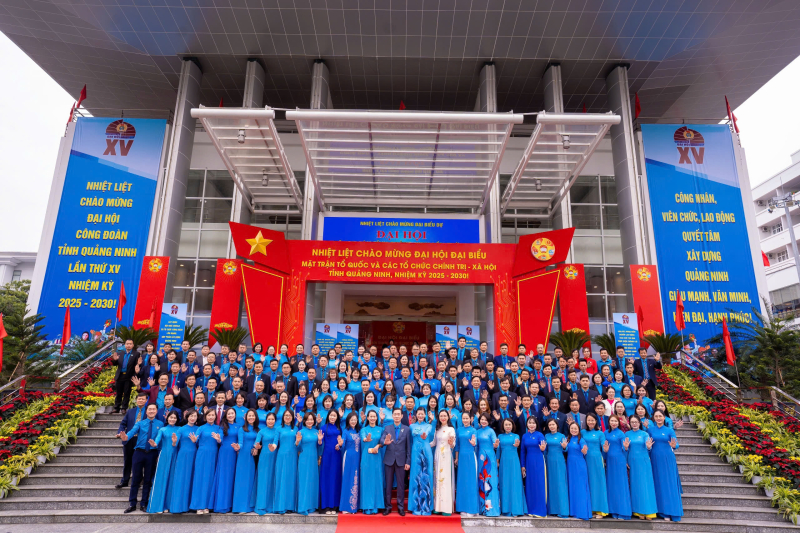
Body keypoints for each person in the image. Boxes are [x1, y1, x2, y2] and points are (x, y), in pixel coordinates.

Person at [119, 403, 163, 513]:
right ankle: (132, 503)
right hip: (139, 453)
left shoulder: (160, 424)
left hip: (152, 454)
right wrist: (126, 437)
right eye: (149, 409)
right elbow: (132, 432)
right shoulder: (140, 423)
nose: (151, 411)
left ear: (156, 411)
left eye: (153, 409)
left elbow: (160, 439)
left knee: (147, 480)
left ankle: (144, 503)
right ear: (146, 411)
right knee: (135, 479)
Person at [647, 410, 683, 521]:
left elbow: (676, 444)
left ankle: (672, 511)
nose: (658, 418)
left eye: (660, 416)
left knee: (669, 484)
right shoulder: (650, 430)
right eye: (656, 416)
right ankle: (662, 512)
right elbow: (648, 444)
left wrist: (674, 445)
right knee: (658, 484)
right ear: (653, 418)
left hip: (667, 459)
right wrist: (648, 447)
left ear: (664, 417)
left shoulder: (669, 430)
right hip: (655, 458)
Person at [146, 411, 180, 513]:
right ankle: (159, 506)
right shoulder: (162, 429)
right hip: (164, 455)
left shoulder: (179, 429)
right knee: (162, 479)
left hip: (175, 456)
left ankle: (168, 505)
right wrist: (154, 444)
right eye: (171, 417)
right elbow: (157, 440)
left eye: (174, 418)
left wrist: (174, 442)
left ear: (177, 419)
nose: (172, 419)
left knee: (172, 480)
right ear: (167, 418)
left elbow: (176, 444)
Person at [190, 410, 221, 513]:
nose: (211, 417)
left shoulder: (218, 428)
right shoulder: (201, 428)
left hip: (213, 455)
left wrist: (218, 439)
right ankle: (198, 505)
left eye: (213, 415)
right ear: (205, 417)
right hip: (202, 454)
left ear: (215, 417)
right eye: (209, 415)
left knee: (210, 479)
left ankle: (207, 505)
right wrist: (194, 440)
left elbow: (220, 440)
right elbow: (196, 438)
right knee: (200, 478)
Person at [627, 415, 658, 519]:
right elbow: (626, 449)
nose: (634, 424)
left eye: (636, 422)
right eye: (632, 422)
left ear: (639, 423)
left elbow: (649, 446)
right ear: (630, 423)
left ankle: (649, 511)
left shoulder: (644, 434)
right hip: (632, 461)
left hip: (643, 461)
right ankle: (638, 511)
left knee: (645, 485)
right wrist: (626, 460)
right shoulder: (627, 434)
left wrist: (649, 447)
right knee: (635, 485)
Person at [168, 410, 199, 513]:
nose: (192, 418)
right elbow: (175, 444)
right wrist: (174, 442)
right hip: (183, 456)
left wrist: (196, 442)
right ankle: (179, 506)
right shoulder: (181, 429)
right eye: (191, 416)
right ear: (187, 417)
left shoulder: (198, 429)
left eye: (194, 416)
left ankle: (191, 505)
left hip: (195, 455)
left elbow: (201, 443)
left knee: (193, 479)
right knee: (182, 479)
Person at [115, 393, 148, 490]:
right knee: (127, 461)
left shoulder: (149, 411)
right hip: (129, 439)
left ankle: (138, 481)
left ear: (146, 400)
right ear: (136, 400)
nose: (140, 401)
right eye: (139, 399)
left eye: (143, 399)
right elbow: (123, 424)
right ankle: (124, 481)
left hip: (141, 440)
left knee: (139, 462)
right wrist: (120, 432)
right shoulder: (130, 411)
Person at [210, 408, 239, 513]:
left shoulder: (238, 426)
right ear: (226, 416)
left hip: (235, 453)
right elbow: (220, 438)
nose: (230, 415)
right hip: (224, 453)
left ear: (235, 415)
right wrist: (218, 439)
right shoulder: (222, 426)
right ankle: (222, 505)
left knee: (232, 477)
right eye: (229, 414)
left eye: (232, 413)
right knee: (224, 477)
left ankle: (231, 504)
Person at [582, 413, 610, 518]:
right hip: (585, 460)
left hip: (597, 460)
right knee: (589, 483)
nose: (590, 422)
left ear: (596, 421)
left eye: (592, 420)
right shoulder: (582, 432)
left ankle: (601, 510)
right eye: (589, 420)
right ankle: (591, 509)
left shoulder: (600, 433)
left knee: (598, 483)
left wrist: (605, 449)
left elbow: (604, 445)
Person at [408, 407, 434, 515]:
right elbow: (409, 441)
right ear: (416, 415)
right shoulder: (411, 426)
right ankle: (416, 506)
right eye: (419, 414)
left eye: (422, 414)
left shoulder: (429, 426)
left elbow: (427, 432)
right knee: (416, 477)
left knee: (426, 477)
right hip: (415, 453)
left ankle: (426, 507)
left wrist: (424, 435)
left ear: (425, 415)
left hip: (426, 452)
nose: (420, 416)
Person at [496, 418, 525, 516]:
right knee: (504, 483)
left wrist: (517, 445)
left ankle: (516, 509)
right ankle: (505, 508)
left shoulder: (516, 436)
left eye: (509, 424)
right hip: (503, 461)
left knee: (514, 483)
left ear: (512, 426)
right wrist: (497, 461)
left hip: (514, 461)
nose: (508, 426)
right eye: (506, 425)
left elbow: (517, 445)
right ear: (503, 426)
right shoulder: (500, 436)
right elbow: (498, 450)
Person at [232, 409, 259, 513]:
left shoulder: (258, 429)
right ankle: (240, 507)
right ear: (246, 417)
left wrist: (256, 449)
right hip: (243, 455)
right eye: (249, 416)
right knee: (241, 479)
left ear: (255, 417)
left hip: (253, 456)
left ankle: (249, 506)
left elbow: (258, 443)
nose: (251, 417)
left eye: (253, 416)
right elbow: (240, 442)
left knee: (250, 479)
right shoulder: (242, 429)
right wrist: (238, 447)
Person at [605, 414, 632, 519]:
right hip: (609, 461)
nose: (614, 423)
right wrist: (604, 458)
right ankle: (613, 510)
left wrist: (626, 448)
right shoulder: (605, 433)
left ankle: (623, 511)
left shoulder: (621, 433)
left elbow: (625, 448)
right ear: (609, 422)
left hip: (619, 461)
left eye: (616, 421)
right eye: (612, 421)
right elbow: (604, 448)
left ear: (618, 422)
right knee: (611, 484)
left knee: (620, 484)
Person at [519, 416, 547, 517]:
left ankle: (540, 511)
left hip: (538, 461)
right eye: (530, 423)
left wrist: (543, 448)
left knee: (539, 484)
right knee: (530, 485)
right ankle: (530, 509)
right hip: (528, 462)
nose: (531, 425)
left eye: (533, 423)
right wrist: (523, 465)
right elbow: (522, 451)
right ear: (527, 424)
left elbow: (543, 446)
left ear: (536, 424)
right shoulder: (524, 436)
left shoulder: (540, 435)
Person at [296, 412, 322, 516]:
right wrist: (297, 442)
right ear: (304, 421)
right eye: (308, 420)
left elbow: (320, 446)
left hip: (314, 458)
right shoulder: (301, 432)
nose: (310, 421)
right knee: (304, 481)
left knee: (312, 481)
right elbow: (297, 448)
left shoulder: (317, 432)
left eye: (311, 419)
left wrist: (320, 441)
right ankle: (303, 506)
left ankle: (311, 506)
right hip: (304, 458)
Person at [273, 409, 299, 514]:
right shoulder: (279, 429)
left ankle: (290, 506)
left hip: (293, 456)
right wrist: (272, 447)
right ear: (283, 417)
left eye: (289, 415)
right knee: (281, 478)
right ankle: (280, 505)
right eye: (286, 415)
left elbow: (298, 444)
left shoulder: (296, 429)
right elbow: (275, 442)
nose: (287, 417)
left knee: (291, 479)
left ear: (292, 417)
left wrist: (298, 441)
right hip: (282, 456)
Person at [253, 412, 279, 515]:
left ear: (275, 420)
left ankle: (271, 505)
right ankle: (261, 505)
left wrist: (273, 446)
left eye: (272, 419)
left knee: (273, 479)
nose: (270, 421)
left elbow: (276, 441)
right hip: (264, 457)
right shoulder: (261, 431)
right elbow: (257, 442)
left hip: (275, 456)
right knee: (263, 480)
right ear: (266, 420)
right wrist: (257, 446)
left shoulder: (277, 430)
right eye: (269, 419)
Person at [361, 410, 387, 514]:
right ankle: (367, 506)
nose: (372, 418)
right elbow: (363, 438)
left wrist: (379, 445)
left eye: (374, 416)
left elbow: (382, 442)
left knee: (377, 480)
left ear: (377, 418)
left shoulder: (380, 429)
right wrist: (365, 439)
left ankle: (376, 505)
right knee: (367, 481)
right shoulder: (364, 429)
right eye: (370, 416)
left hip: (377, 457)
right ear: (367, 418)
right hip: (367, 457)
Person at [565, 421, 591, 520]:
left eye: (575, 428)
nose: (573, 430)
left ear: (579, 430)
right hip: (570, 465)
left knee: (581, 487)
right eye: (572, 428)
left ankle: (582, 511)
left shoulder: (581, 440)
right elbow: (565, 449)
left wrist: (584, 451)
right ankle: (573, 511)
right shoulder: (568, 439)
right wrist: (564, 447)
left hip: (579, 465)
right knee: (572, 487)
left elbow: (585, 450)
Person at [475, 413, 500, 516]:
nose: (483, 421)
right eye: (482, 419)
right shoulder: (477, 431)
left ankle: (491, 509)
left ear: (489, 421)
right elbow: (475, 445)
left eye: (485, 420)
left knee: (490, 481)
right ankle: (482, 508)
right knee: (481, 481)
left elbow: (495, 444)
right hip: (480, 457)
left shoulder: (491, 431)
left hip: (490, 458)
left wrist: (496, 445)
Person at [544, 418, 569, 518]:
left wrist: (564, 447)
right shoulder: (546, 436)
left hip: (559, 461)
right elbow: (545, 450)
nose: (552, 426)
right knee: (551, 484)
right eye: (550, 425)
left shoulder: (561, 436)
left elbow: (566, 449)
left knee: (560, 483)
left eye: (553, 424)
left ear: (557, 425)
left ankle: (562, 510)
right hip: (549, 461)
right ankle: (552, 509)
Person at [454, 411, 479, 515]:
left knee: (471, 481)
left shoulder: (473, 430)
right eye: (463, 418)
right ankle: (462, 508)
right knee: (462, 482)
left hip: (470, 457)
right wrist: (456, 458)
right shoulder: (459, 430)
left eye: (467, 418)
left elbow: (475, 443)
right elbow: (457, 446)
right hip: (461, 457)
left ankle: (472, 509)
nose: (465, 420)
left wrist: (474, 443)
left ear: (471, 419)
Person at [433, 409, 456, 515]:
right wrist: (423, 443)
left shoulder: (451, 429)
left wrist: (451, 443)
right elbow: (434, 443)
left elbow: (453, 445)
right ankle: (437, 507)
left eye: (444, 416)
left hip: (446, 456)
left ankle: (446, 508)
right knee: (437, 479)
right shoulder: (437, 429)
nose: (443, 418)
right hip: (437, 456)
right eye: (441, 416)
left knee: (445, 480)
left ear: (448, 417)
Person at [319, 410, 343, 514]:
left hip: (337, 456)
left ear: (337, 417)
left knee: (335, 479)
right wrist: (320, 441)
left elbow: (341, 442)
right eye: (331, 415)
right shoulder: (323, 428)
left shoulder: (339, 428)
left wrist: (340, 446)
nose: (332, 417)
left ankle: (335, 506)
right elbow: (320, 443)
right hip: (326, 455)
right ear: (328, 416)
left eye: (334, 416)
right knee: (326, 479)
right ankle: (326, 506)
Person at [339, 412, 361, 514]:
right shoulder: (345, 431)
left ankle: (355, 506)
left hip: (357, 458)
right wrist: (340, 444)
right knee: (347, 479)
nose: (353, 421)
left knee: (355, 479)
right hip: (348, 457)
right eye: (351, 420)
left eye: (355, 420)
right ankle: (346, 507)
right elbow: (342, 444)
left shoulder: (359, 431)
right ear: (348, 420)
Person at [112, 339, 139, 413]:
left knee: (127, 393)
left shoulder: (136, 354)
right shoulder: (120, 353)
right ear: (125, 345)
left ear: (133, 345)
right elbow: (115, 364)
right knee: (118, 393)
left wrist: (135, 375)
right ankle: (116, 408)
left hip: (128, 376)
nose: (128, 345)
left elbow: (137, 365)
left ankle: (124, 408)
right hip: (120, 375)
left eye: (130, 344)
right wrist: (115, 360)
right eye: (127, 344)